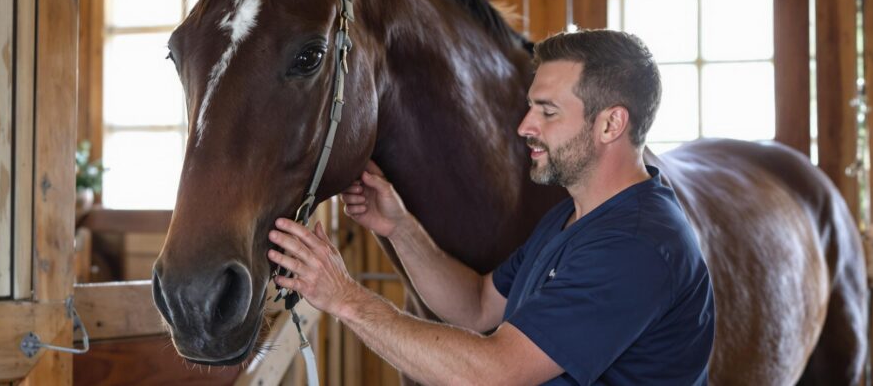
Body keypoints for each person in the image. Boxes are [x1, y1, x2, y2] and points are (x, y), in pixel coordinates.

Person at [268, 29, 715, 385]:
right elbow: (477, 305)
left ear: (611, 124)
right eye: (529, 108)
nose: (524, 126)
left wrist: (346, 298)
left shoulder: (634, 245)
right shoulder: (572, 216)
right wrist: (399, 227)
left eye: (548, 111)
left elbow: (496, 373)